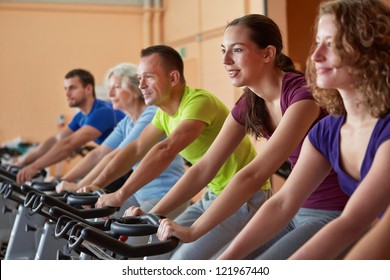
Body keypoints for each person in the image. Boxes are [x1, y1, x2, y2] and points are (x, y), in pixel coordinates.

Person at [155, 14, 349, 260]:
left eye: (236, 50)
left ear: (268, 54)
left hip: (331, 210)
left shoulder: (302, 97)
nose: (225, 60)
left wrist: (194, 230)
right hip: (291, 208)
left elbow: (254, 175)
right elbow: (204, 167)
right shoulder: (250, 102)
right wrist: (156, 213)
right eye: (223, 50)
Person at [217, 0, 390, 260]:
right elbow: (282, 203)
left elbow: (352, 224)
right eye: (318, 42)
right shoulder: (326, 132)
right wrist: (225, 262)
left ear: (368, 51)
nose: (316, 55)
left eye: (331, 44)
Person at [89, 45, 269, 259]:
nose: (141, 85)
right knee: (158, 246)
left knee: (182, 260)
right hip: (213, 195)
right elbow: (136, 148)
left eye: (148, 77)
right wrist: (97, 185)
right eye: (139, 78)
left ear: (173, 78)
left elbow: (166, 149)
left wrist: (121, 195)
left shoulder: (198, 103)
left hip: (244, 198)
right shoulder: (162, 114)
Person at [55, 63, 185, 216]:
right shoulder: (127, 122)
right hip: (139, 195)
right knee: (94, 224)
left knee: (122, 237)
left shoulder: (151, 114)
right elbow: (99, 154)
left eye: (116, 87)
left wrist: (82, 186)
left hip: (165, 195)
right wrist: (64, 181)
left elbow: (117, 155)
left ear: (135, 90)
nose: (109, 94)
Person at [16, 69, 125, 185]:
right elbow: (57, 139)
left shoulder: (103, 112)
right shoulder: (81, 116)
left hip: (127, 167)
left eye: (72, 88)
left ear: (88, 89)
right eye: (65, 88)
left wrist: (35, 166)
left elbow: (69, 144)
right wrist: (22, 163)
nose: (67, 93)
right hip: (115, 163)